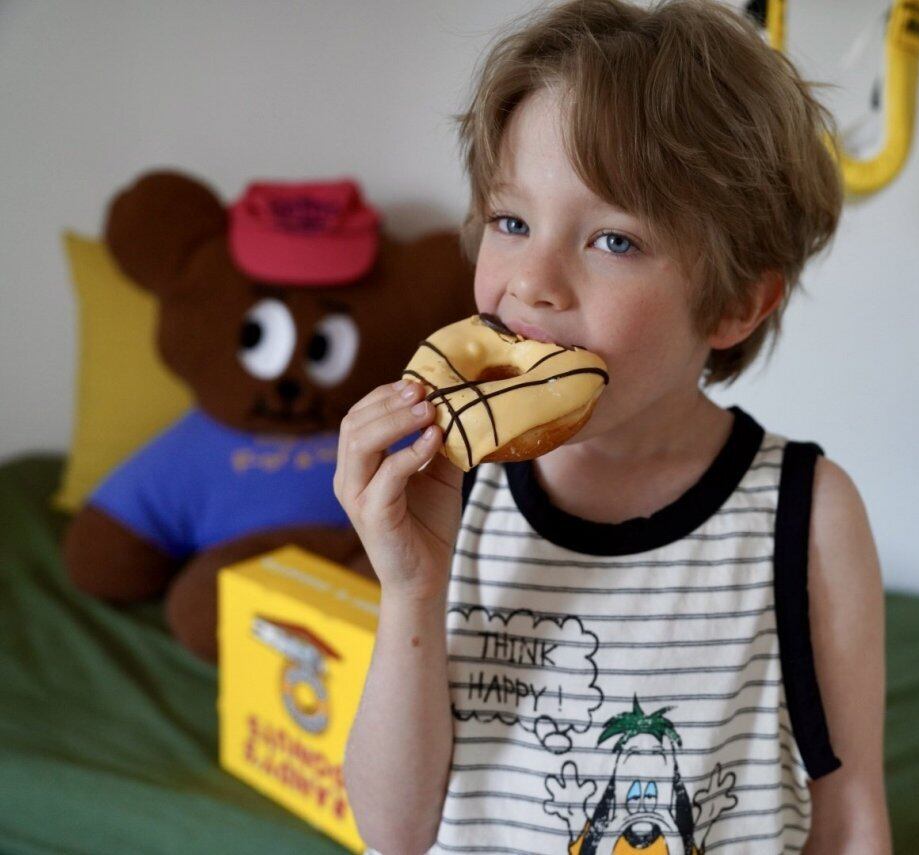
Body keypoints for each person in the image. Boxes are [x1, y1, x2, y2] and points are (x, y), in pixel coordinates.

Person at [336, 1, 889, 852]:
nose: (533, 281)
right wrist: (412, 584)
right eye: (512, 222)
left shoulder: (808, 514)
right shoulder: (457, 487)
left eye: (614, 241)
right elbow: (394, 830)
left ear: (738, 303)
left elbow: (849, 816)